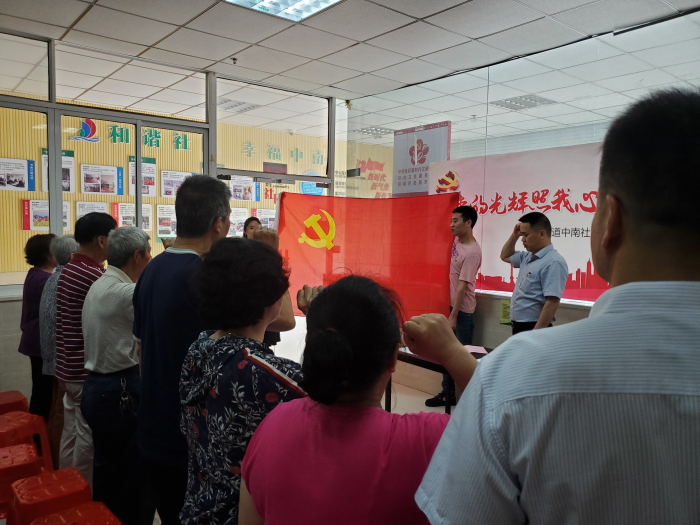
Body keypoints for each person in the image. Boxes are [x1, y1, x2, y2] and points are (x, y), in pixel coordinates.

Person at [415, 89, 700, 524]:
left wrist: (525, 343)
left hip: (532, 331)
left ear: (610, 219)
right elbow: (508, 256)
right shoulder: (527, 267)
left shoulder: (519, 374)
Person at [239, 276, 479, 525]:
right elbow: (502, 421)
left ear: (313, 347)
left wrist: (324, 324)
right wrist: (451, 352)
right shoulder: (428, 441)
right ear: (393, 358)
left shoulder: (273, 426)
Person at [179, 238, 321, 525]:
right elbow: (332, 399)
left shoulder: (198, 348)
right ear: (270, 300)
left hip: (198, 508)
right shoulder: (263, 373)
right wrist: (318, 323)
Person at [132, 175, 231, 525]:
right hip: (189, 438)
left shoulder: (151, 269)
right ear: (218, 223)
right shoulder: (203, 276)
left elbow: (142, 352)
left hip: (153, 425)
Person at [81, 227, 153, 525]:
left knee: (111, 471)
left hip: (100, 387)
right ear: (137, 256)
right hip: (118, 390)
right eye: (149, 253)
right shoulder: (125, 293)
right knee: (133, 478)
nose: (151, 259)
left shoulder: (103, 282)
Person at [55, 212, 116, 487]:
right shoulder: (93, 275)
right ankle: (81, 492)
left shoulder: (69, 269)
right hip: (82, 370)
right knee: (87, 439)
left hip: (67, 366)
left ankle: (65, 486)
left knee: (71, 433)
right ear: (102, 241)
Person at [426, 206, 481, 408]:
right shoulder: (456, 240)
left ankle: (468, 400)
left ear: (468, 223)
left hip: (462, 311)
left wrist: (453, 315)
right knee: (445, 351)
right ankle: (447, 393)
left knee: (461, 356)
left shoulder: (473, 252)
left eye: (455, 221)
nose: (451, 225)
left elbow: (462, 287)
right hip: (448, 306)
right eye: (451, 220)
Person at [39, 234, 79, 469]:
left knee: (57, 410)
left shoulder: (55, 277)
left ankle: (54, 462)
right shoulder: (68, 278)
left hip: (54, 356)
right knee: (62, 415)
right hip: (62, 359)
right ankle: (58, 467)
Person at [500, 211, 568, 335]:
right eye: (521, 235)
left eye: (525, 235)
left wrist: (535, 334)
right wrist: (514, 235)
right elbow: (504, 256)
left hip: (533, 327)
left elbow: (552, 302)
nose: (522, 239)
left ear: (542, 234)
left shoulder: (554, 262)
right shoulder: (527, 256)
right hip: (519, 326)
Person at [19, 233, 57, 422]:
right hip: (41, 342)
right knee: (44, 392)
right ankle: (39, 429)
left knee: (41, 389)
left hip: (36, 339)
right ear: (48, 255)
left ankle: (39, 426)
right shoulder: (44, 280)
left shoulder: (37, 274)